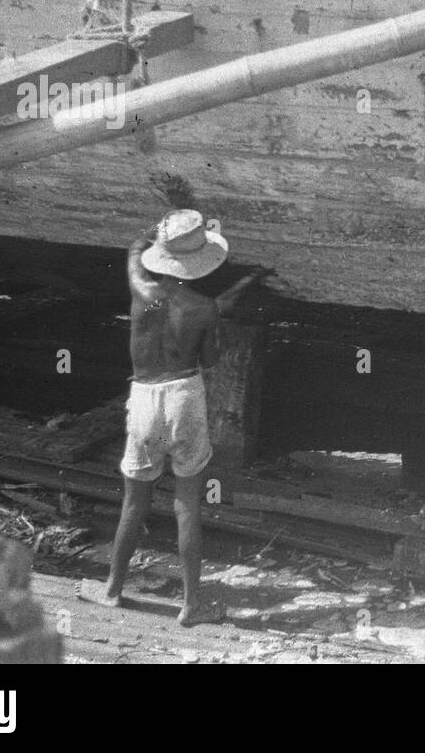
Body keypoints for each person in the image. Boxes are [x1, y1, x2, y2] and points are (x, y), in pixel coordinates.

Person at [78, 209, 268, 625]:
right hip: (184, 396)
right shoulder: (203, 307)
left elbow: (134, 248)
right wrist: (249, 284)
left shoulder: (139, 287)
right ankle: (190, 605)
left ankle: (112, 590)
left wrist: (165, 220)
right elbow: (211, 358)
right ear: (200, 264)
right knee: (187, 505)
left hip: (143, 397)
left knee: (134, 502)